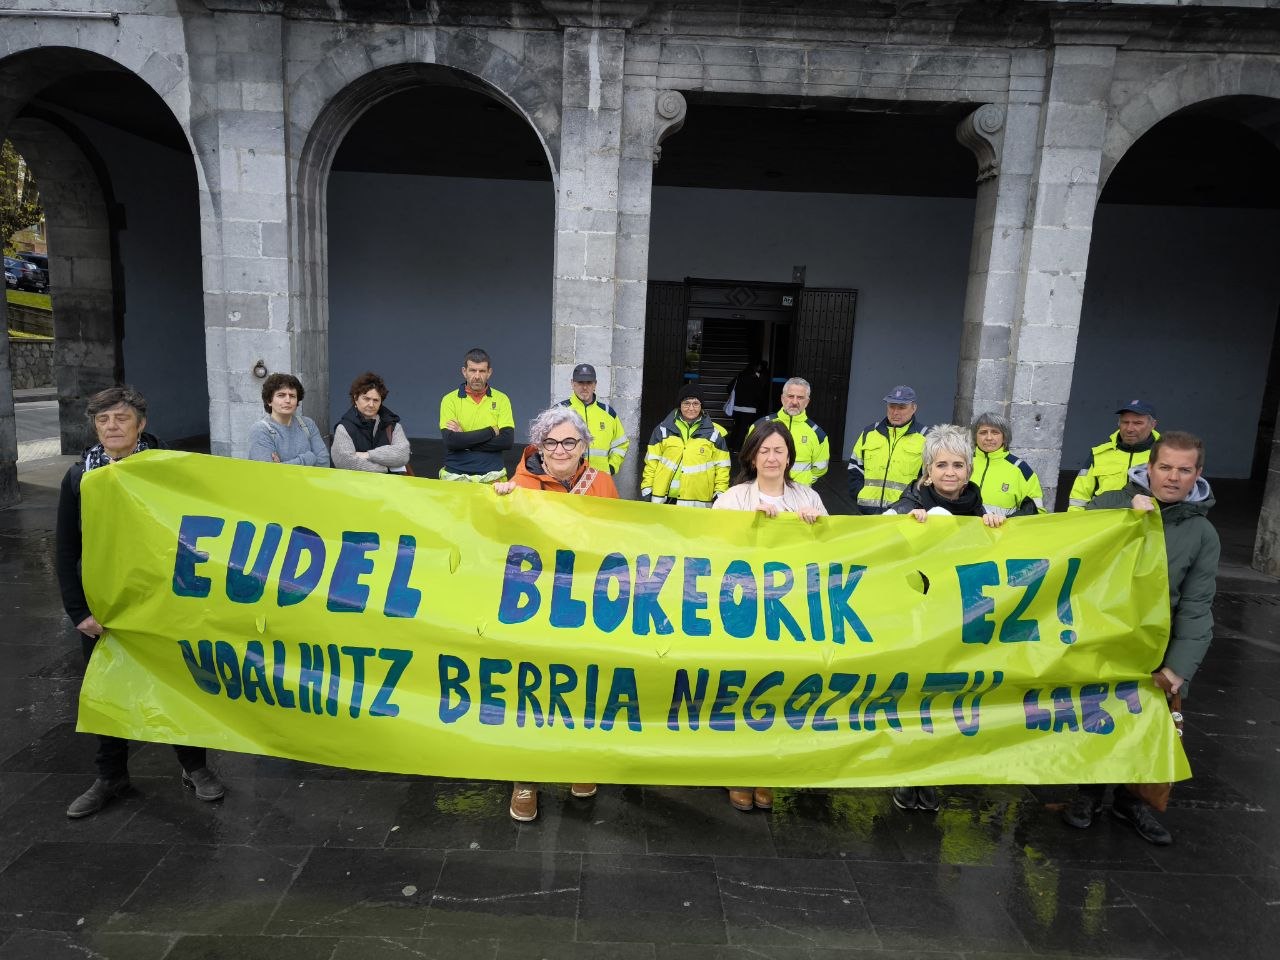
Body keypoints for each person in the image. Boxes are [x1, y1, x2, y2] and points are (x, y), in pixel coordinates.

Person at [56, 386, 225, 818]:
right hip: (105, 608)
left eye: (121, 418)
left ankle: (194, 766)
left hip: (163, 603)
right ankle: (110, 775)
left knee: (178, 683)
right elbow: (66, 549)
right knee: (108, 691)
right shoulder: (79, 478)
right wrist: (78, 612)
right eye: (103, 420)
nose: (112, 427)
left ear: (141, 424)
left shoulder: (168, 470)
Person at [1061, 431, 1219, 846]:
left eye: (1184, 470)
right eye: (1165, 467)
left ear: (1198, 474)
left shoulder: (1202, 534)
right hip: (1105, 638)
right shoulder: (1111, 502)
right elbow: (1066, 543)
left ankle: (1131, 803)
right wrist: (1120, 517)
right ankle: (1088, 793)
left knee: (1146, 725)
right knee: (1098, 716)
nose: (1173, 477)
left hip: (1158, 649)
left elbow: (1197, 605)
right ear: (1149, 468)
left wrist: (1179, 667)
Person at [493, 406, 619, 821]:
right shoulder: (519, 484)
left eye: (569, 441)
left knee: (582, 683)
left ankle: (578, 762)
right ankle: (525, 778)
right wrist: (497, 506)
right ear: (539, 447)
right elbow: (499, 541)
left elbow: (621, 539)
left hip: (584, 601)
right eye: (551, 442)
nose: (560, 449)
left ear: (584, 446)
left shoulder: (602, 483)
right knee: (530, 688)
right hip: (533, 604)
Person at [884, 423, 1005, 813]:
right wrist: (903, 524)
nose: (949, 472)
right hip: (916, 620)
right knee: (913, 695)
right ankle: (906, 772)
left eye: (957, 464)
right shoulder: (909, 505)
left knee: (947, 698)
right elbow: (875, 541)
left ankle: (931, 773)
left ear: (969, 470)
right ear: (927, 471)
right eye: (941, 465)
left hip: (959, 620)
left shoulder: (980, 510)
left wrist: (997, 529)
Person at [714, 420, 826, 813]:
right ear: (751, 457)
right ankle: (736, 770)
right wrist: (747, 526)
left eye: (780, 450)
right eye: (765, 451)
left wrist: (815, 528)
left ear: (790, 457)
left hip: (789, 613)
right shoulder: (733, 498)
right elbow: (710, 548)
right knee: (740, 689)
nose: (772, 458)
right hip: (742, 611)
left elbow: (831, 554)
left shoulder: (807, 497)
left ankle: (766, 770)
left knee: (777, 690)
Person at [641, 383, 731, 507]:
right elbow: (652, 462)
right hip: (664, 499)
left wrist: (720, 492)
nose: (691, 408)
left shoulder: (714, 433)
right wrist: (647, 487)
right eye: (686, 403)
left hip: (698, 502)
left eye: (696, 403)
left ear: (701, 406)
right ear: (680, 405)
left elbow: (722, 467)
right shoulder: (662, 429)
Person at [439, 347, 515, 483]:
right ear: (464, 372)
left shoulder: (502, 399)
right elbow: (451, 441)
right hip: (455, 473)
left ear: (489, 373)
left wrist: (464, 439)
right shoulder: (449, 400)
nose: (477, 376)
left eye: (482, 371)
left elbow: (506, 441)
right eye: (473, 370)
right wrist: (491, 431)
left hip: (493, 474)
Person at [848, 384, 926, 514]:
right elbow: (854, 468)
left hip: (903, 514)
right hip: (866, 512)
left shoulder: (925, 437)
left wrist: (913, 504)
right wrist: (860, 493)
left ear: (914, 408)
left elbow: (928, 479)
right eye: (892, 406)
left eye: (902, 407)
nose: (895, 412)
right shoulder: (869, 433)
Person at [1067, 400, 1160, 510]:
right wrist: (1076, 519)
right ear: (1118, 423)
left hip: (1148, 519)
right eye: (1125, 422)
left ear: (1153, 425)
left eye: (1137, 423)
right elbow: (1078, 499)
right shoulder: (1099, 454)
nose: (1129, 429)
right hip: (1104, 519)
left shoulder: (1164, 454)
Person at [747, 377, 830, 486]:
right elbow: (748, 458)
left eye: (800, 397)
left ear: (807, 402)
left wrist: (805, 482)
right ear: (782, 398)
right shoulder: (759, 426)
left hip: (799, 492)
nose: (794, 402)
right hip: (765, 489)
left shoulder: (818, 434)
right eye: (790, 396)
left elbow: (821, 468)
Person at [331, 371, 412, 474]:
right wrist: (384, 469)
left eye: (376, 400)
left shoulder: (392, 425)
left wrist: (368, 455)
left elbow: (403, 455)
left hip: (390, 484)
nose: (371, 404)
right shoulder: (344, 428)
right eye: (366, 399)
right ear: (355, 398)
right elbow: (344, 462)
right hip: (357, 484)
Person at [558, 363, 628, 475]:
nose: (585, 387)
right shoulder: (559, 411)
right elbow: (547, 444)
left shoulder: (608, 413)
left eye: (589, 383)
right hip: (567, 478)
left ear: (595, 384)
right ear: (572, 384)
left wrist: (611, 467)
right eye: (580, 382)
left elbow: (621, 444)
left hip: (600, 478)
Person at [971, 412, 1046, 517]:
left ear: (1004, 437)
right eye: (983, 432)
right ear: (975, 436)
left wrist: (1006, 520)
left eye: (995, 432)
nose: (989, 438)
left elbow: (1036, 511)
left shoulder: (1021, 469)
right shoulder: (963, 463)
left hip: (1003, 527)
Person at [246, 372, 330, 466]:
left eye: (292, 396)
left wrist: (282, 466)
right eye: (281, 395)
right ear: (269, 401)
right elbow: (268, 471)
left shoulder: (307, 424)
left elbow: (324, 462)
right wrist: (308, 458)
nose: (288, 400)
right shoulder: (260, 430)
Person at [725, 359, 769, 451]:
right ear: (755, 367)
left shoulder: (740, 376)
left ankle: (730, 445)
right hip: (749, 409)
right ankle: (737, 448)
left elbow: (729, 388)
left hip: (736, 408)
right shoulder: (755, 379)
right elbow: (760, 395)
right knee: (743, 429)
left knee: (736, 427)